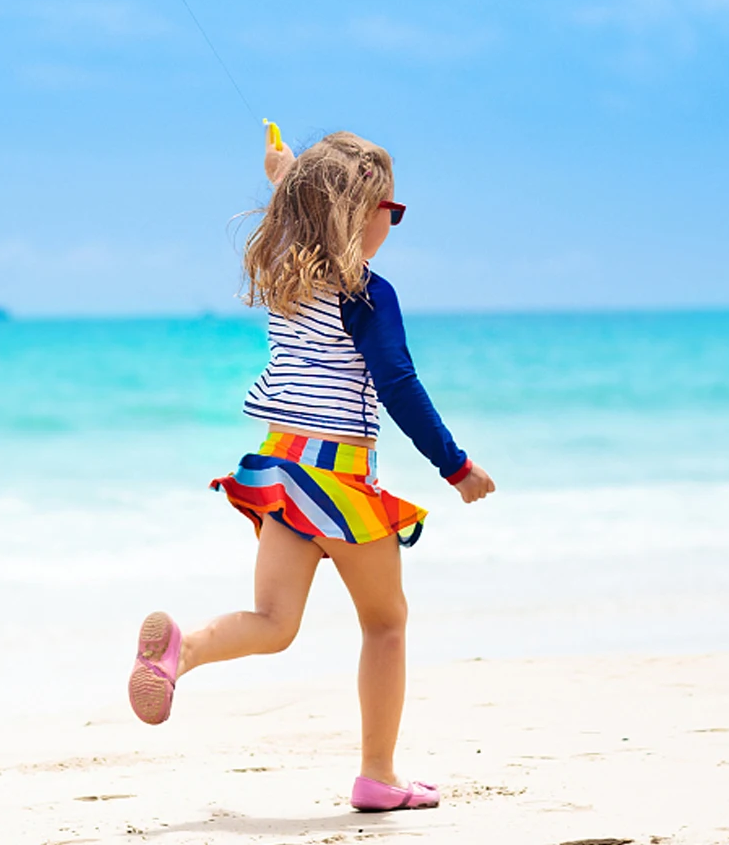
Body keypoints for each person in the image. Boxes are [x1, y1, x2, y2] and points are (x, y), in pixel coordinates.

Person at [126, 130, 495, 813]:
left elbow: (298, 218)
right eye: (392, 208)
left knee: (273, 621)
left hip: (281, 471)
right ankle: (377, 774)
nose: (395, 220)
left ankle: (182, 650)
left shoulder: (281, 277)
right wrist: (455, 464)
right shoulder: (368, 294)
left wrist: (283, 178)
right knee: (385, 624)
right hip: (338, 481)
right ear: (360, 215)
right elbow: (398, 383)